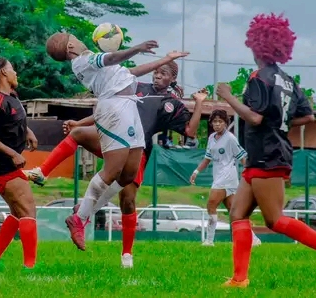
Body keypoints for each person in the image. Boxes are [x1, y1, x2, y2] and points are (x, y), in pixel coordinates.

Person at [215, 13, 316, 288]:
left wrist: (228, 97)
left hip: (268, 154)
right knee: (237, 214)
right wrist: (282, 122)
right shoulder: (288, 81)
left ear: (256, 44)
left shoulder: (259, 78)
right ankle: (239, 279)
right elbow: (309, 116)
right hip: (265, 153)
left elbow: (254, 118)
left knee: (275, 220)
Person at [25, 58, 202, 267]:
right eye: (156, 71)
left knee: (127, 200)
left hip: (137, 149)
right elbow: (110, 108)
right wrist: (78, 122)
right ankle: (42, 172)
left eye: (163, 73)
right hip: (113, 138)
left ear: (172, 78)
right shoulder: (136, 86)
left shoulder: (171, 103)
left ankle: (126, 255)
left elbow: (190, 131)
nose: (157, 75)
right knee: (80, 133)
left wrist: (199, 102)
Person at [44, 32, 176, 251]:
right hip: (115, 109)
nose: (78, 37)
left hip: (128, 106)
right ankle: (80, 218)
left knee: (129, 174)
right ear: (69, 48)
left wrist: (166, 59)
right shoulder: (85, 60)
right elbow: (113, 58)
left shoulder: (96, 63)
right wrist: (137, 48)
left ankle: (84, 210)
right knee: (113, 170)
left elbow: (131, 72)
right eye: (73, 37)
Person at [0, 56, 40, 272]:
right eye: (12, 69)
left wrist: (28, 132)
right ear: (3, 73)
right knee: (28, 209)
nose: (15, 73)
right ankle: (30, 268)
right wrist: (14, 153)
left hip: (5, 163)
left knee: (17, 211)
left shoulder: (12, 96)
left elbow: (17, 120)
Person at [189, 109, 261, 247]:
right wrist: (196, 171)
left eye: (220, 121)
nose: (217, 124)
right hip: (219, 177)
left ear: (226, 123)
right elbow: (207, 159)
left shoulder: (230, 138)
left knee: (211, 204)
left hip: (227, 176)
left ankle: (209, 240)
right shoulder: (211, 138)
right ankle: (253, 239)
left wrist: (251, 176)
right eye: (215, 121)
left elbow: (242, 158)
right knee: (234, 212)